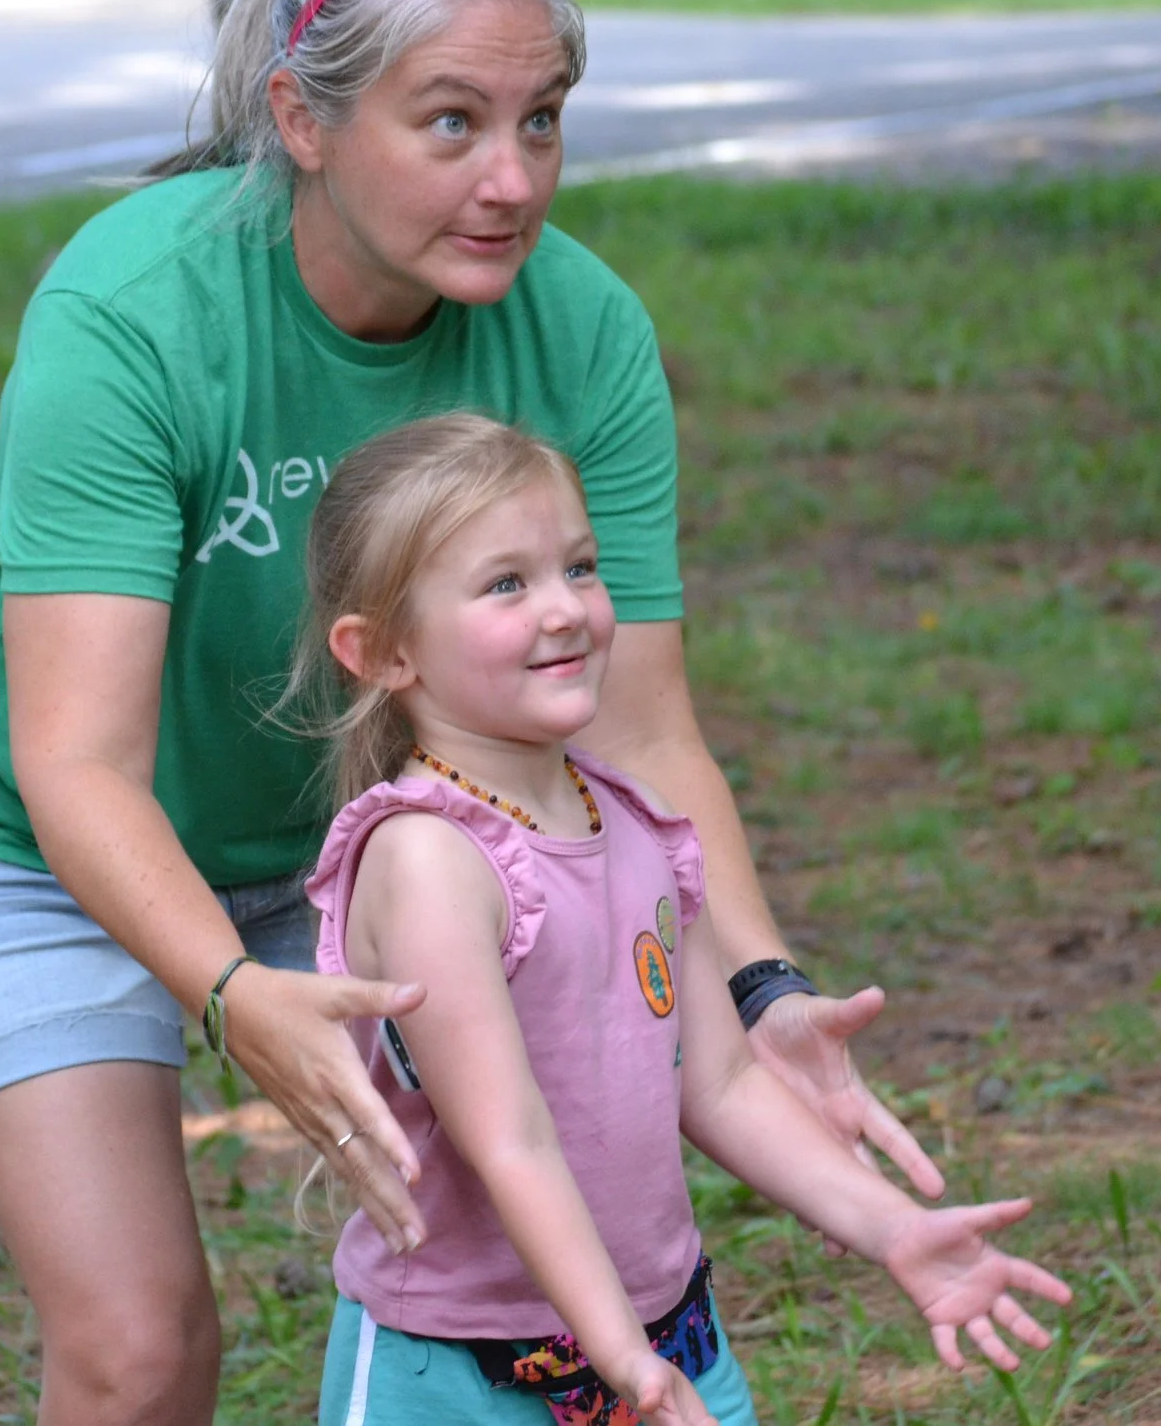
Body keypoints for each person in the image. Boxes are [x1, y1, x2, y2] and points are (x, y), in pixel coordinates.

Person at [0, 0, 941, 1426]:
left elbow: (643, 729)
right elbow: (73, 755)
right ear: (301, 117)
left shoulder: (584, 330)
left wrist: (760, 983)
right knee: (142, 1345)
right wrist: (234, 990)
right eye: (450, 124)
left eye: (542, 121)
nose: (511, 180)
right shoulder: (136, 306)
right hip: (19, 831)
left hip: (382, 837)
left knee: (552, 1260)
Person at [296, 415, 1070, 1426]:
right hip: (456, 1372)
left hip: (669, 1342)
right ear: (382, 650)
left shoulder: (635, 821)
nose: (565, 608)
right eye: (506, 584)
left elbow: (725, 1079)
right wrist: (617, 1356)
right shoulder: (428, 855)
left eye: (578, 566)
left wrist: (889, 1226)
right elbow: (510, 1138)